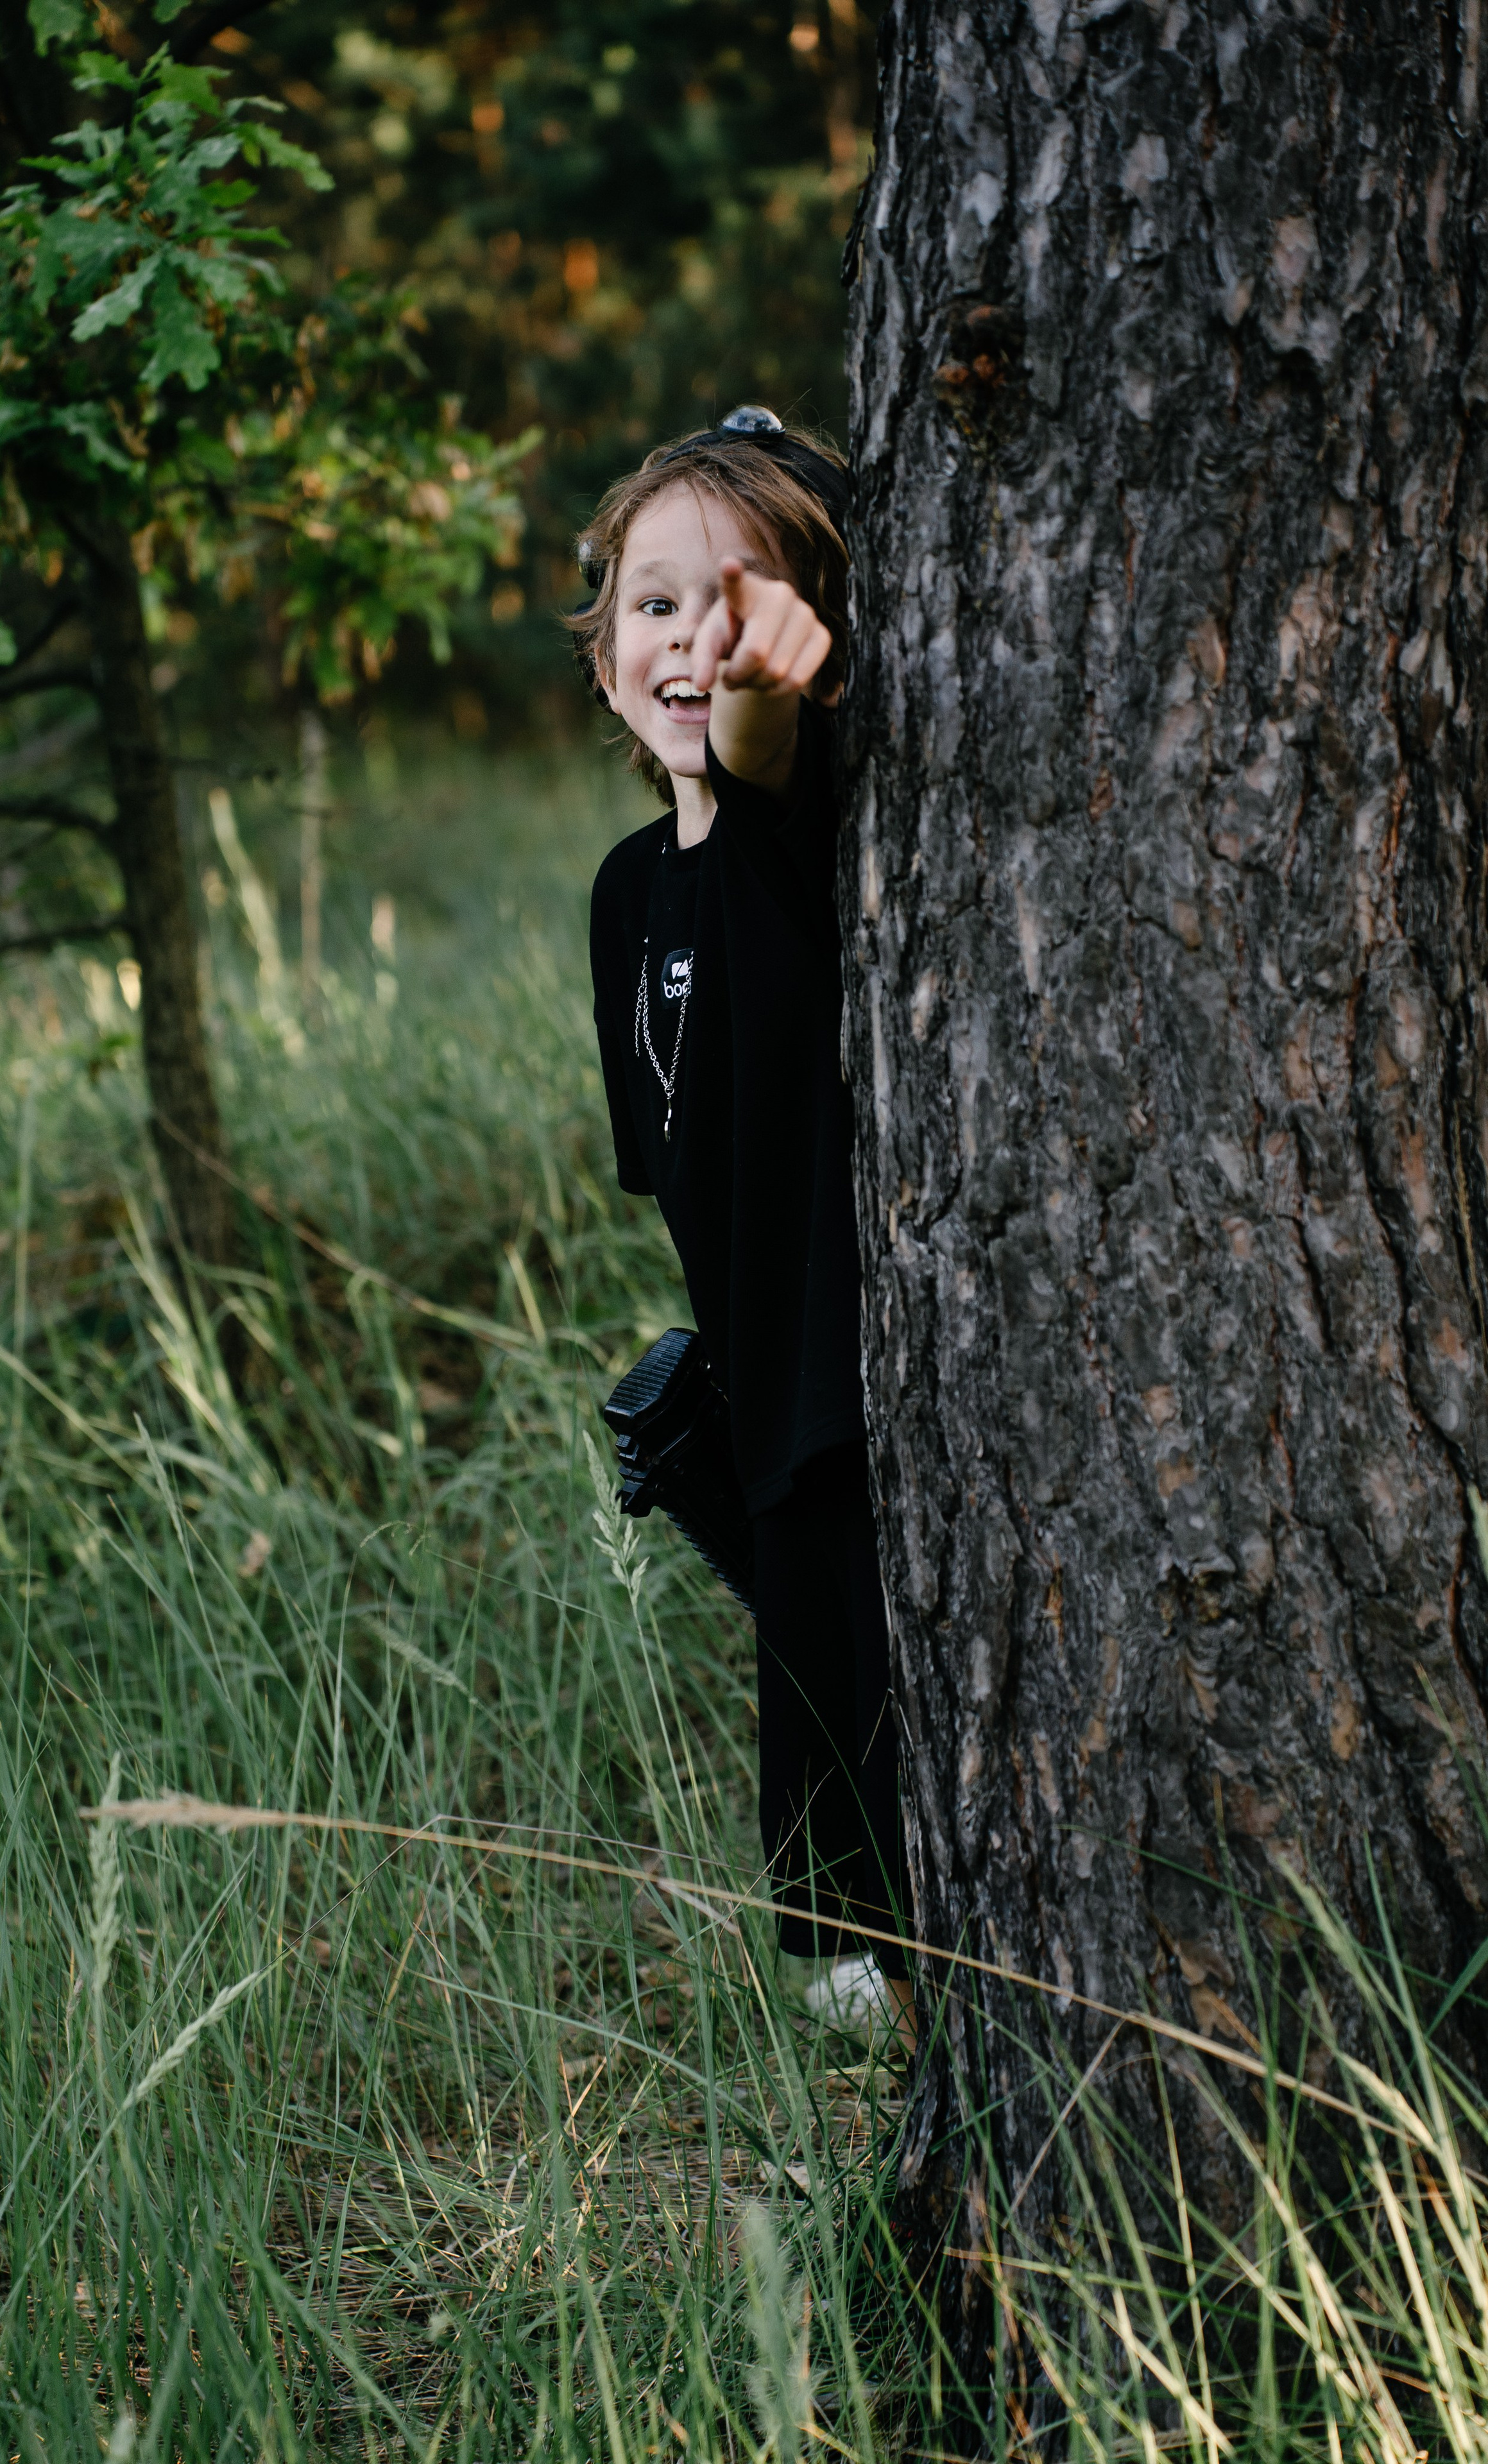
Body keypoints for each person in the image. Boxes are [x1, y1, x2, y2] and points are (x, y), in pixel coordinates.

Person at [576, 408, 916, 2053]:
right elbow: (680, 1160)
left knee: (898, 1890)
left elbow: (770, 758)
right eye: (653, 605)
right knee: (838, 1947)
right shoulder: (626, 896)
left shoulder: (819, 829)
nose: (690, 638)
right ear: (599, 654)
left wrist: (777, 696)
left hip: (874, 1405)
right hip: (768, 1408)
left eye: (737, 600)